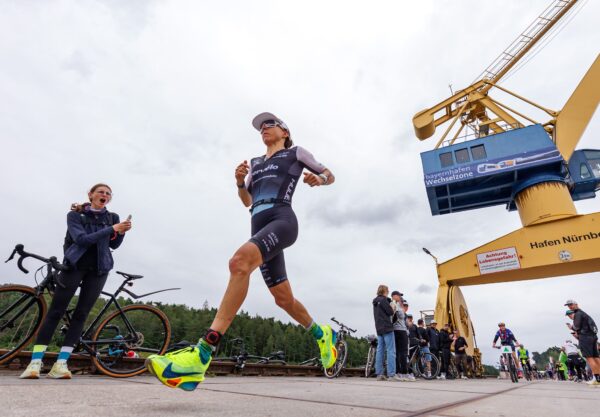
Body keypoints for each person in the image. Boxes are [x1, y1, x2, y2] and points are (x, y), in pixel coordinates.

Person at [145, 113, 337, 391]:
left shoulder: (296, 153)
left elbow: (329, 174)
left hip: (282, 221)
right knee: (283, 300)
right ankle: (322, 334)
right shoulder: (256, 163)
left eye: (270, 125)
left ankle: (201, 354)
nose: (264, 129)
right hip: (257, 223)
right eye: (261, 127)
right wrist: (238, 182)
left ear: (285, 131)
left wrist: (320, 180)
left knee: (239, 263)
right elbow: (247, 200)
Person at [19, 183, 131, 379]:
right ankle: (35, 362)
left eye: (108, 194)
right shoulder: (75, 216)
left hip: (99, 269)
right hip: (74, 266)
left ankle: (61, 364)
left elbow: (113, 244)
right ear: (91, 195)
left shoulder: (112, 217)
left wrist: (120, 233)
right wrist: (112, 228)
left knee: (81, 315)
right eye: (100, 192)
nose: (104, 195)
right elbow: (82, 240)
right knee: (56, 311)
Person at [565, 300, 600, 387]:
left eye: (571, 305)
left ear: (576, 304)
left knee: (589, 358)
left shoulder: (578, 314)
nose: (570, 307)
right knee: (596, 357)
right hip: (593, 337)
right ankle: (598, 378)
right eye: (568, 306)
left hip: (585, 338)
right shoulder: (584, 313)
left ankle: (597, 379)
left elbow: (576, 327)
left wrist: (571, 328)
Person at [372, 285, 401, 381]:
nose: (388, 292)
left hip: (379, 328)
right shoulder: (384, 300)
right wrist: (393, 307)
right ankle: (391, 374)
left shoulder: (375, 301)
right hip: (387, 328)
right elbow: (390, 312)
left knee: (380, 351)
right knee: (391, 350)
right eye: (387, 291)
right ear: (385, 291)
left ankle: (379, 374)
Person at [390, 290, 409, 381]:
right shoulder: (396, 305)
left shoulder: (392, 304)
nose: (400, 297)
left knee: (397, 352)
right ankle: (404, 373)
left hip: (395, 330)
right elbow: (401, 316)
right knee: (403, 352)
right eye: (399, 296)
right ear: (394, 296)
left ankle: (398, 372)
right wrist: (401, 307)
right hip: (401, 331)